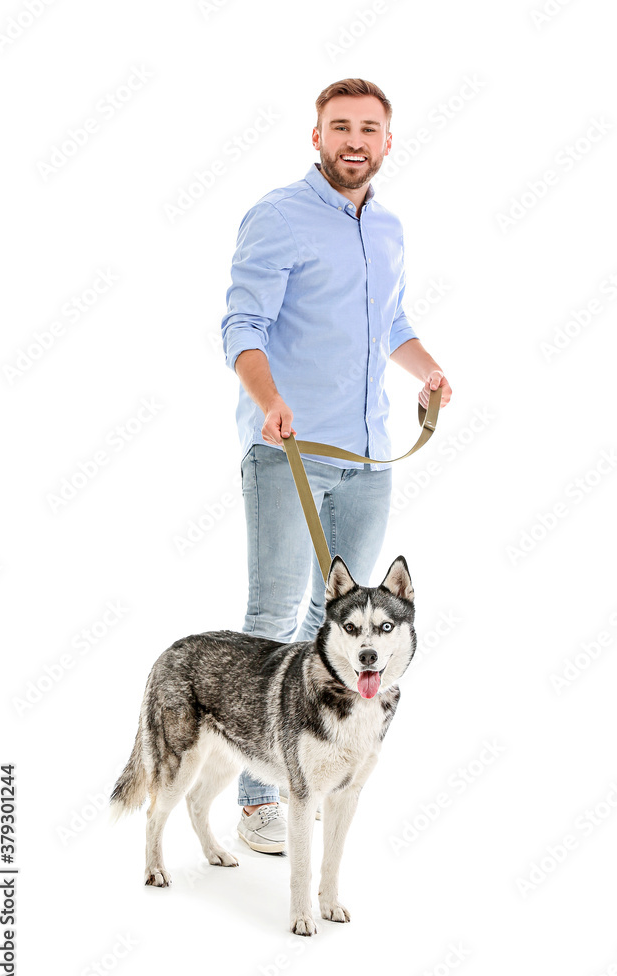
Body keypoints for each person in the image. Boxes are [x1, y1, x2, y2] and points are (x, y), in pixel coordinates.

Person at [221, 78, 452, 854]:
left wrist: (425, 370)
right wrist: (269, 400)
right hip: (288, 453)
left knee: (355, 627)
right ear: (316, 136)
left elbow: (389, 318)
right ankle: (260, 797)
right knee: (273, 622)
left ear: (388, 142)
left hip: (368, 458)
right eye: (340, 127)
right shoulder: (279, 216)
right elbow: (241, 325)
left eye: (369, 128)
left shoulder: (385, 227)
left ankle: (326, 775)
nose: (355, 140)